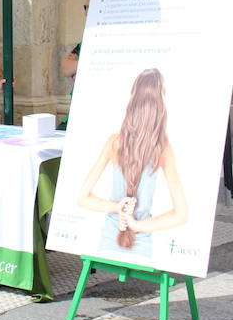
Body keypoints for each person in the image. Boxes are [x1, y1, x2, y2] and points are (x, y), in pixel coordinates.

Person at [77, 68, 188, 258]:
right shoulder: (162, 148)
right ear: (159, 105)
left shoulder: (115, 142)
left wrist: (116, 207)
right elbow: (181, 214)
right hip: (141, 245)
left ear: (133, 101)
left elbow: (82, 197)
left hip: (108, 240)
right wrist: (137, 225)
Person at [58, 0, 91, 131]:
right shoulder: (86, 41)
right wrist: (91, 64)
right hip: (73, 116)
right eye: (85, 7)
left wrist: (77, 68)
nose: (87, 12)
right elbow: (65, 67)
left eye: (90, 6)